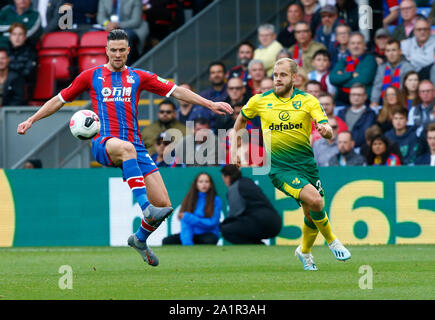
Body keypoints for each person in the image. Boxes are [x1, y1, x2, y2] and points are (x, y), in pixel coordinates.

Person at [17, 29, 232, 267]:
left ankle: (140, 239)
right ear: (106, 51)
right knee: (131, 158)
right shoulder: (92, 76)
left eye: (122, 50)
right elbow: (59, 99)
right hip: (103, 142)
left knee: (164, 205)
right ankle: (144, 208)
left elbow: (176, 90)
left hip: (136, 148)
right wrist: (32, 119)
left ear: (128, 51)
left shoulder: (139, 76)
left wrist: (209, 103)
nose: (117, 54)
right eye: (113, 50)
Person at [232, 58, 351, 271]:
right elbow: (240, 121)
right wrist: (235, 149)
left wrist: (326, 131)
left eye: (283, 75)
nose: (277, 79)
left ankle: (304, 252)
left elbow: (327, 127)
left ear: (294, 78)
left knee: (311, 212)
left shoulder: (309, 101)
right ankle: (332, 241)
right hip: (279, 168)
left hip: (306, 165)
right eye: (275, 75)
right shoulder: (259, 101)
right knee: (316, 200)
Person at [219, 165, 281, 245]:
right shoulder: (248, 182)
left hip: (261, 223)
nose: (224, 182)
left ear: (227, 177)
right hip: (275, 224)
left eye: (224, 179)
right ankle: (258, 245)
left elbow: (235, 213)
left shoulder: (235, 187)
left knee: (226, 230)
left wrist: (222, 225)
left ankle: (257, 245)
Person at [162, 172, 222, 245]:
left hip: (208, 234)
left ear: (210, 184)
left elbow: (212, 223)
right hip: (191, 234)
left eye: (207, 181)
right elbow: (185, 224)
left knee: (210, 240)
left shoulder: (216, 200)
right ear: (196, 184)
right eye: (201, 181)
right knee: (167, 241)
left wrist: (190, 218)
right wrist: (187, 243)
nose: (204, 184)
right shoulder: (189, 199)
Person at [330, 32, 377, 105]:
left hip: (362, 100)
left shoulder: (370, 60)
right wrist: (351, 75)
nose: (356, 46)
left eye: (359, 43)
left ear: (364, 45)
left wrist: (341, 81)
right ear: (348, 46)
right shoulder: (343, 60)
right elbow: (332, 78)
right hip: (341, 100)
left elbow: (363, 80)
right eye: (353, 43)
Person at [370, 39, 415, 108]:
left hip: (403, 105)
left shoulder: (408, 67)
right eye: (388, 51)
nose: (391, 54)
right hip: (385, 105)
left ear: (400, 51)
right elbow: (377, 87)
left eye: (394, 50)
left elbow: (409, 90)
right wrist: (374, 102)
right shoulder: (382, 67)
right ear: (385, 53)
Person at [337, 83, 376, 149]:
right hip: (341, 148)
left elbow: (363, 135)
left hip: (360, 149)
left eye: (359, 95)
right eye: (353, 94)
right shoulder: (341, 112)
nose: (356, 97)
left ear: (365, 97)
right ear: (350, 96)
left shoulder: (370, 114)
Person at [192, 61, 228, 128]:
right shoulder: (203, 96)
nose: (216, 75)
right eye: (213, 73)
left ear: (225, 74)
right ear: (209, 76)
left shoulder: (232, 92)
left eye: (219, 72)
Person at [6, 22, 37, 96]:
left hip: (22, 90)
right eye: (14, 34)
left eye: (20, 34)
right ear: (10, 37)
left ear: (25, 37)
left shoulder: (32, 53)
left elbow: (27, 74)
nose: (17, 37)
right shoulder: (5, 52)